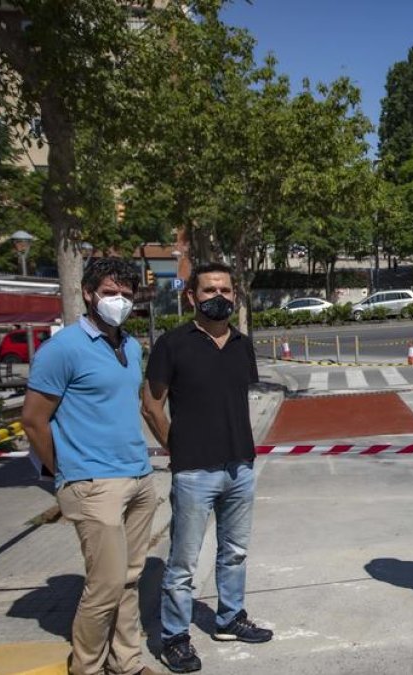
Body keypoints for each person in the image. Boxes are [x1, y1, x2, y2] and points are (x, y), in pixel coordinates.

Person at [21, 258, 161, 675]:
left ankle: (127, 663)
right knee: (104, 586)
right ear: (88, 293)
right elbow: (33, 419)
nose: (119, 301)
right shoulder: (61, 350)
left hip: (137, 475)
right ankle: (86, 667)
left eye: (127, 294)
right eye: (110, 293)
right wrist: (64, 473)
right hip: (92, 482)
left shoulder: (131, 346)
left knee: (130, 580)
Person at [142, 262, 272, 673]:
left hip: (240, 466)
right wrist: (176, 447)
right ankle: (175, 636)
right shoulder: (172, 344)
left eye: (226, 291)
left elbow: (233, 398)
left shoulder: (241, 344)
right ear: (191, 297)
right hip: (194, 471)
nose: (218, 297)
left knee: (234, 552)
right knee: (182, 562)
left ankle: (230, 618)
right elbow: (151, 404)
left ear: (236, 295)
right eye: (209, 290)